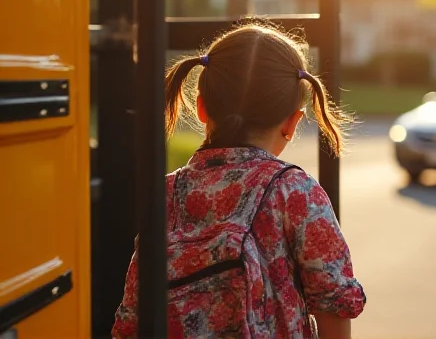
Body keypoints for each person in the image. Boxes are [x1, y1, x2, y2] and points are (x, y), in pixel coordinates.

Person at [112, 20, 366, 339]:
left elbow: (133, 312)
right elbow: (335, 304)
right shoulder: (295, 192)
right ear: (292, 122)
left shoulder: (166, 193)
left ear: (202, 107)